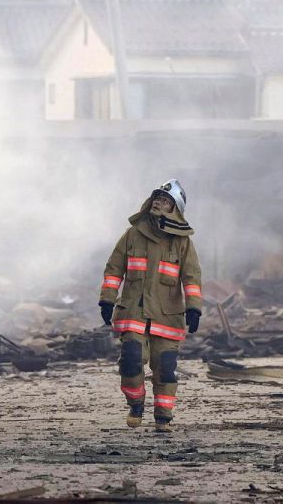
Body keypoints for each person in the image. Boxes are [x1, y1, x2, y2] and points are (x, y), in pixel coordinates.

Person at [98, 179, 203, 432]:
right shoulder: (133, 234)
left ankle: (163, 416)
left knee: (165, 368)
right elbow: (114, 270)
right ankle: (135, 404)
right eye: (156, 197)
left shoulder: (183, 243)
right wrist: (107, 299)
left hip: (167, 317)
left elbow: (191, 277)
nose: (158, 201)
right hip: (133, 311)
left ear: (174, 208)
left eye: (164, 200)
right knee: (132, 360)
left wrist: (194, 307)